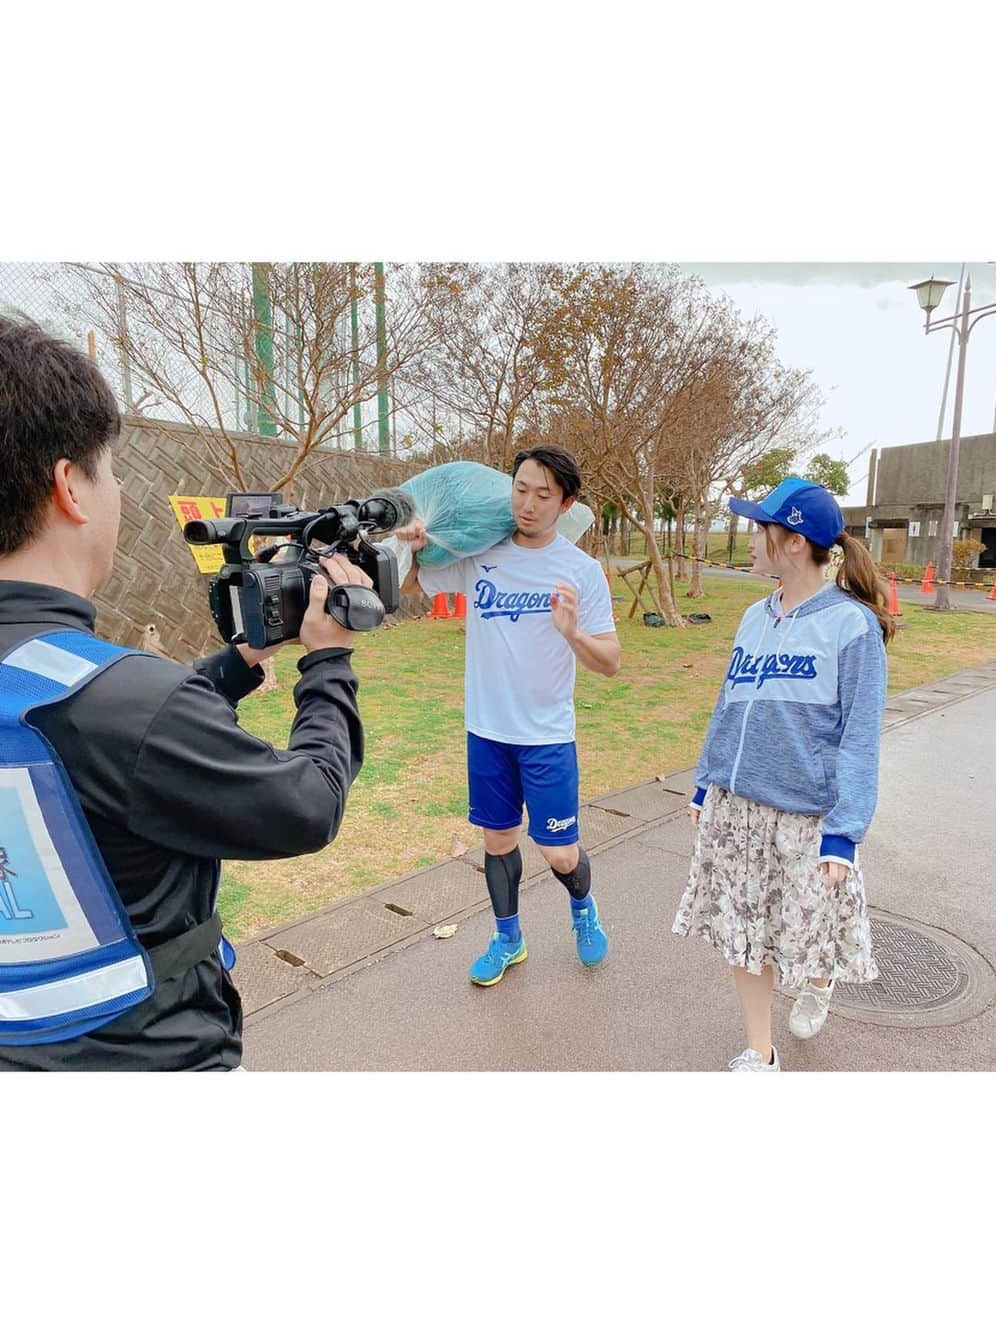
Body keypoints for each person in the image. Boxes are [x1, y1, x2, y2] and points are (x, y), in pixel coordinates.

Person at [0, 315, 370, 1071]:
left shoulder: (118, 703)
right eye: (111, 469)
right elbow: (303, 806)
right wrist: (328, 662)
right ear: (70, 485)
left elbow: (89, 731)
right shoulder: (129, 705)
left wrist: (234, 667)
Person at [672, 477, 893, 1072]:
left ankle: (819, 978)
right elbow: (729, 703)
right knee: (745, 930)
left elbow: (860, 737)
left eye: (758, 528)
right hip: (737, 806)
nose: (749, 540)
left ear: (792, 541)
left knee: (805, 930)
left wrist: (844, 833)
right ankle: (759, 1052)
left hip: (805, 816)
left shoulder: (851, 626)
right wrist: (705, 779)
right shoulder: (753, 616)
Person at [398, 445, 619, 985]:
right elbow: (408, 587)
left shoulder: (580, 571)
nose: (528, 503)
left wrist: (571, 632)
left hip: (545, 735)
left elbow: (610, 662)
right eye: (520, 488)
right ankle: (508, 939)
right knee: (497, 842)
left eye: (543, 494)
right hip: (487, 731)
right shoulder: (482, 555)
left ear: (565, 503)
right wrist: (418, 546)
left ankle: (583, 911)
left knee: (558, 851)